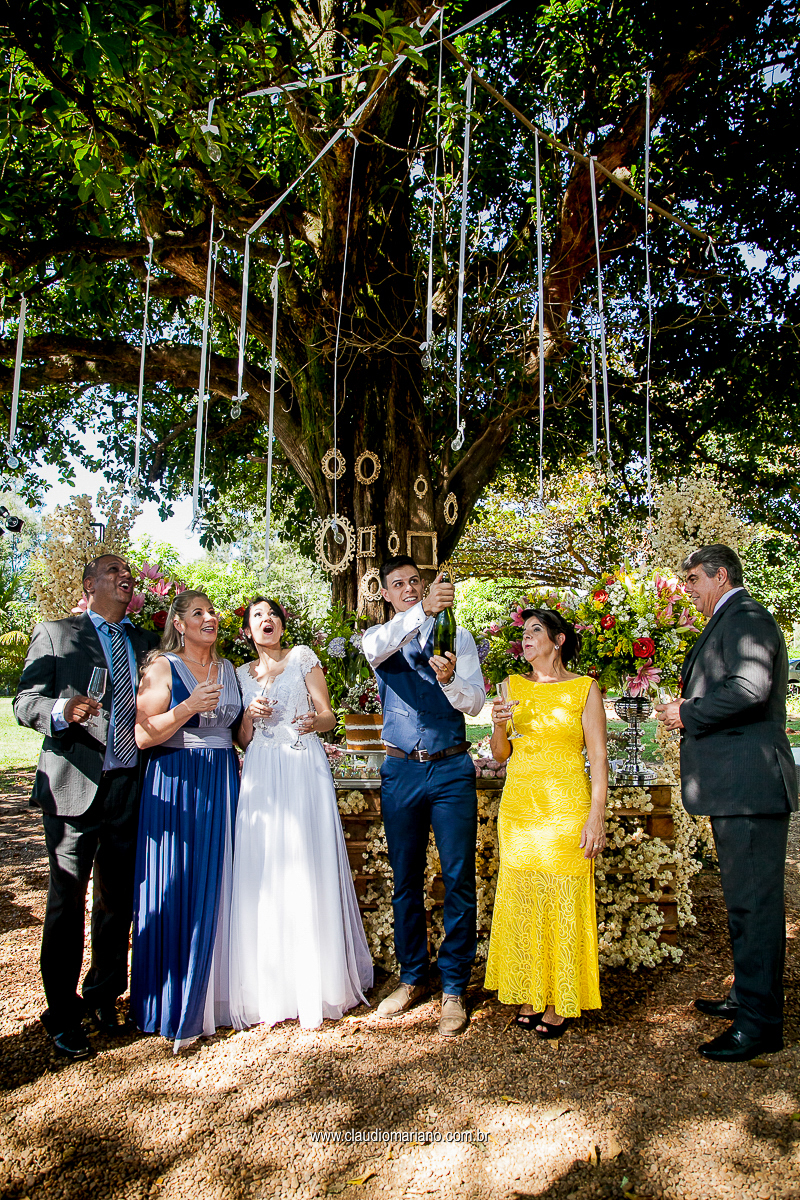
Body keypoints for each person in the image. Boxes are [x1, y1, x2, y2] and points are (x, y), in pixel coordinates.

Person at [13, 554, 160, 1060]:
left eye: (129, 573)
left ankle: (104, 996)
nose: (126, 577)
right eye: (114, 571)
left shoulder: (146, 643)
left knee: (117, 899)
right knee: (67, 901)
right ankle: (61, 1013)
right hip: (73, 786)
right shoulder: (57, 634)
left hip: (129, 786)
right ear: (89, 583)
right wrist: (61, 709)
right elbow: (25, 701)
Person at [656, 544, 797, 1063]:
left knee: (755, 906)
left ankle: (760, 1025)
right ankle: (748, 994)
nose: (688, 589)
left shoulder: (747, 616)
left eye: (693, 578)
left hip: (750, 785)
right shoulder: (730, 619)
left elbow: (749, 687)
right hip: (737, 786)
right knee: (744, 903)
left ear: (720, 576)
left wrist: (687, 712)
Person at [228, 597, 372, 1029]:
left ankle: (318, 983)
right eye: (257, 616)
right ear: (248, 631)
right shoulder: (240, 675)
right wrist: (249, 716)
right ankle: (269, 988)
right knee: (264, 868)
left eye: (272, 614)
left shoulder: (303, 657)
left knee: (307, 863)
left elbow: (329, 717)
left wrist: (313, 722)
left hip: (302, 765)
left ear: (281, 624)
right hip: (261, 774)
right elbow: (242, 740)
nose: (266, 619)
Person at [362, 557, 486, 1037]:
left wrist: (451, 680)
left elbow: (476, 702)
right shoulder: (380, 637)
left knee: (458, 878)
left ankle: (453, 986)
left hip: (452, 768)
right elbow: (379, 647)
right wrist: (424, 612)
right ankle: (413, 976)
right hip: (401, 771)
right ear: (386, 594)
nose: (409, 588)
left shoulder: (458, 637)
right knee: (406, 880)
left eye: (416, 580)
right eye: (399, 584)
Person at [484, 609, 607, 1038]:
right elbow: (501, 754)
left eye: (535, 630)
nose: (526, 638)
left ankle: (560, 998)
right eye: (523, 632)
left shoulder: (584, 688)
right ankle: (530, 989)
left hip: (567, 806)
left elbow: (599, 758)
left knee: (562, 897)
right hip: (520, 807)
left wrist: (597, 815)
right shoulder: (509, 686)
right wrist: (498, 726)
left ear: (558, 640)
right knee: (524, 896)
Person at [130, 590, 242, 1051]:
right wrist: (187, 707)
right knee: (176, 881)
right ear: (179, 624)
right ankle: (175, 1000)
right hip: (177, 782)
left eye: (211, 611)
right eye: (198, 613)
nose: (209, 618)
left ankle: (220, 996)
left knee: (222, 879)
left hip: (224, 781)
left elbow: (240, 733)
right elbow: (141, 735)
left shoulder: (230, 670)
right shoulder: (163, 667)